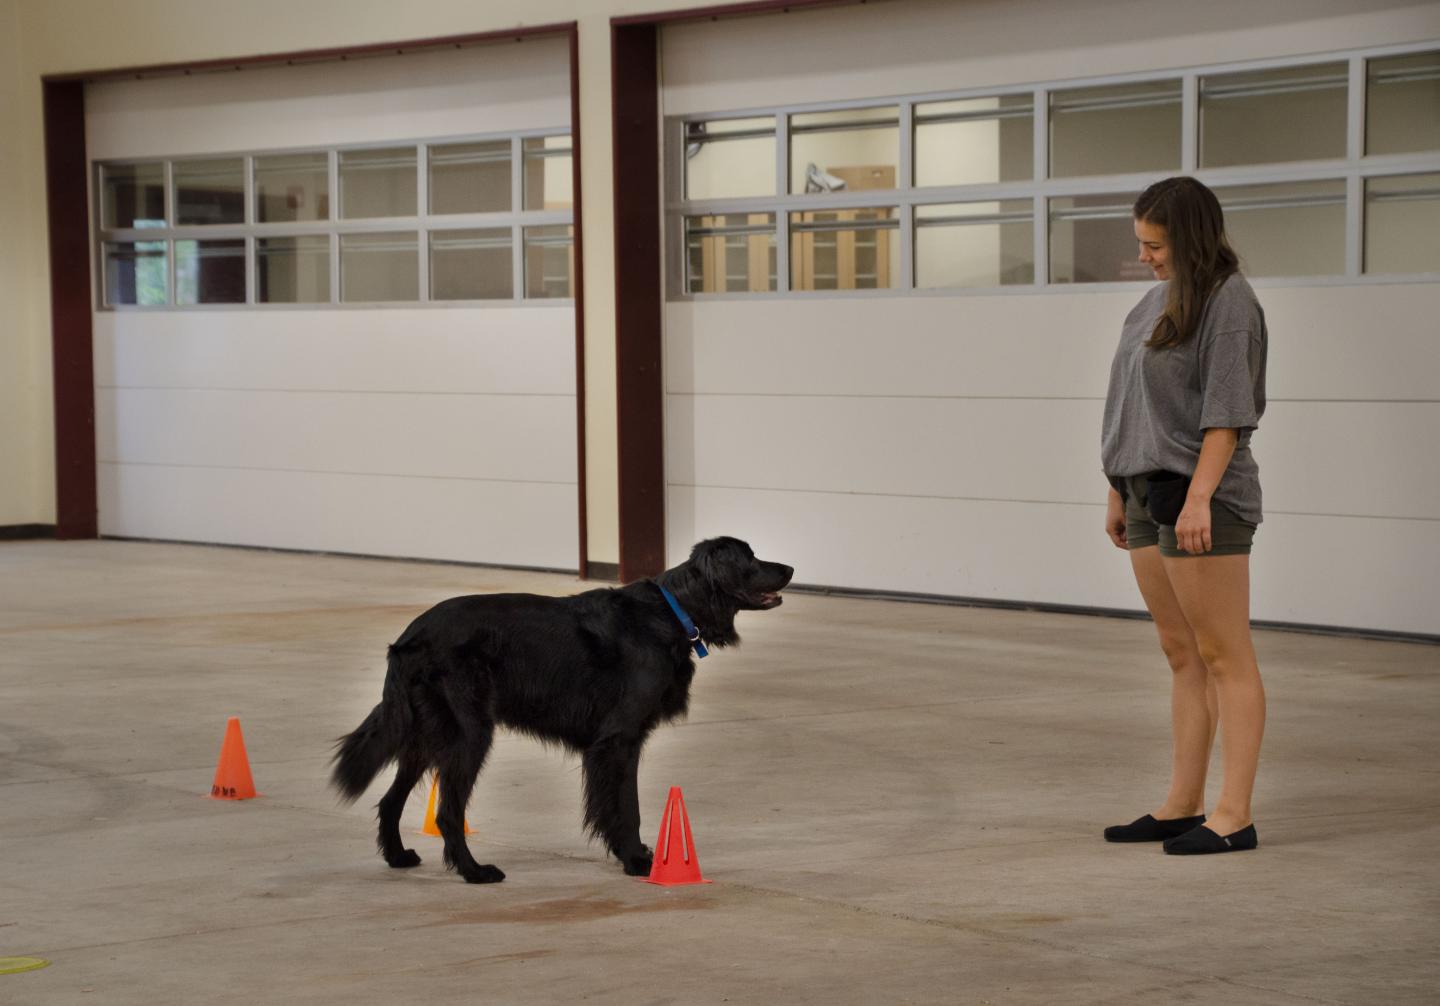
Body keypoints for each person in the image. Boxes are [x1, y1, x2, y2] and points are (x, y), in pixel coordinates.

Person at [1100, 176, 1268, 855]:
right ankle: (1181, 803)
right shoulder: (1150, 303)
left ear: (1190, 239)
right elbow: (1126, 400)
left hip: (1203, 495)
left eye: (1156, 245)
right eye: (1140, 243)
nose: (1145, 256)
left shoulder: (1230, 303)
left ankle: (1234, 816)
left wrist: (1201, 496)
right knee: (1180, 653)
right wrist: (1116, 485)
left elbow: (1228, 412)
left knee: (1225, 654)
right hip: (1144, 489)